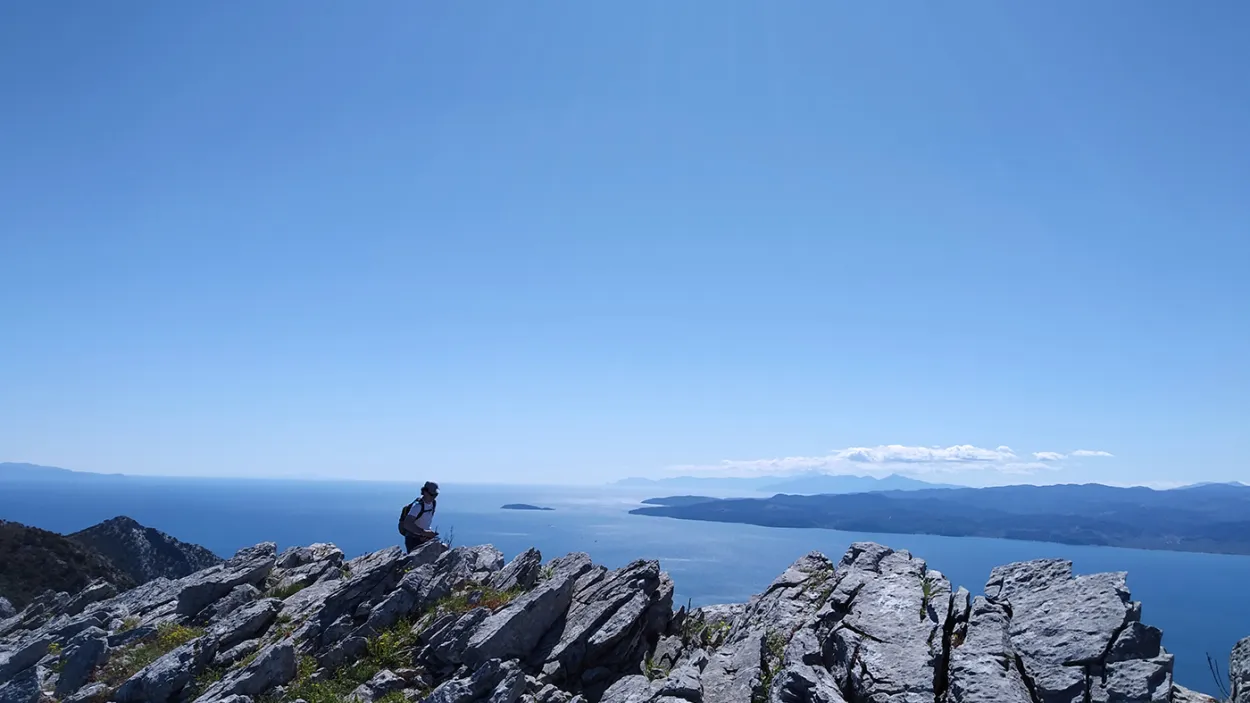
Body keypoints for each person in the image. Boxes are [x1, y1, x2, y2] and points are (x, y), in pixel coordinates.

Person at [398, 481, 439, 552]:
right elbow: (407, 524)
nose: (434, 497)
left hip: (425, 538)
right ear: (425, 492)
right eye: (433, 494)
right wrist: (424, 533)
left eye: (436, 494)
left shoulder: (433, 504)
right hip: (413, 540)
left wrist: (427, 534)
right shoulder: (417, 506)